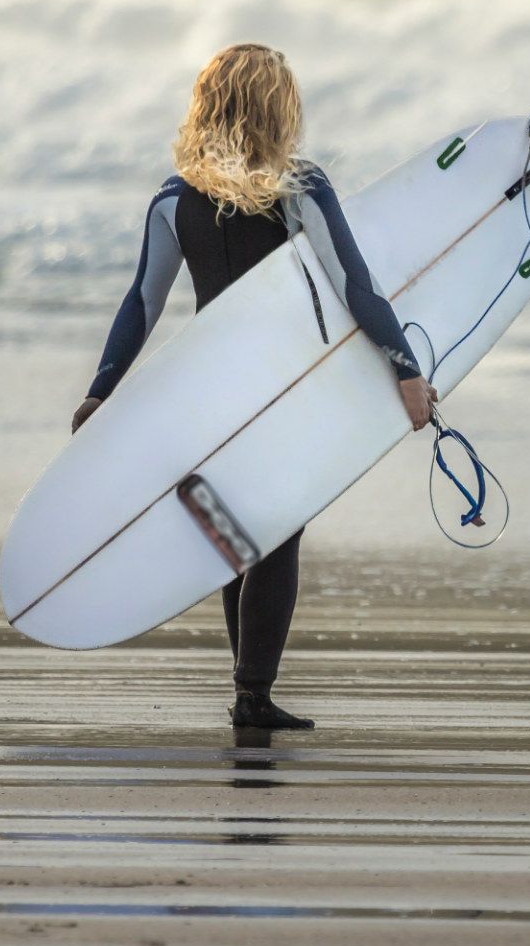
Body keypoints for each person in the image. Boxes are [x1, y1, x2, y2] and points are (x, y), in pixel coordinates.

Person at [72, 44, 436, 731]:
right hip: (279, 391)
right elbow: (357, 285)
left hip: (207, 395)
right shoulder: (297, 188)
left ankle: (249, 690)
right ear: (278, 108)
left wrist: (103, 389)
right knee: (277, 531)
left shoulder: (173, 199)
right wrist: (406, 369)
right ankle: (252, 696)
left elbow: (142, 304)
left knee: (239, 537)